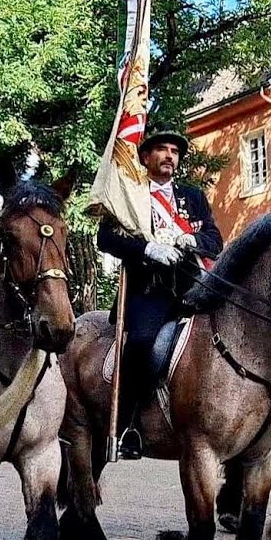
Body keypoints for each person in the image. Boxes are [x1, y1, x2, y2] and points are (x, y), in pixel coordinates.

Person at [98, 129, 223, 460]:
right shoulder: (131, 196)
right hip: (150, 289)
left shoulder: (192, 196)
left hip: (193, 287)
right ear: (145, 157)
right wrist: (147, 248)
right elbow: (106, 239)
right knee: (140, 343)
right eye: (161, 150)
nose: (169, 155)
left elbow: (215, 239)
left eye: (174, 151)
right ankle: (132, 423)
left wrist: (191, 241)